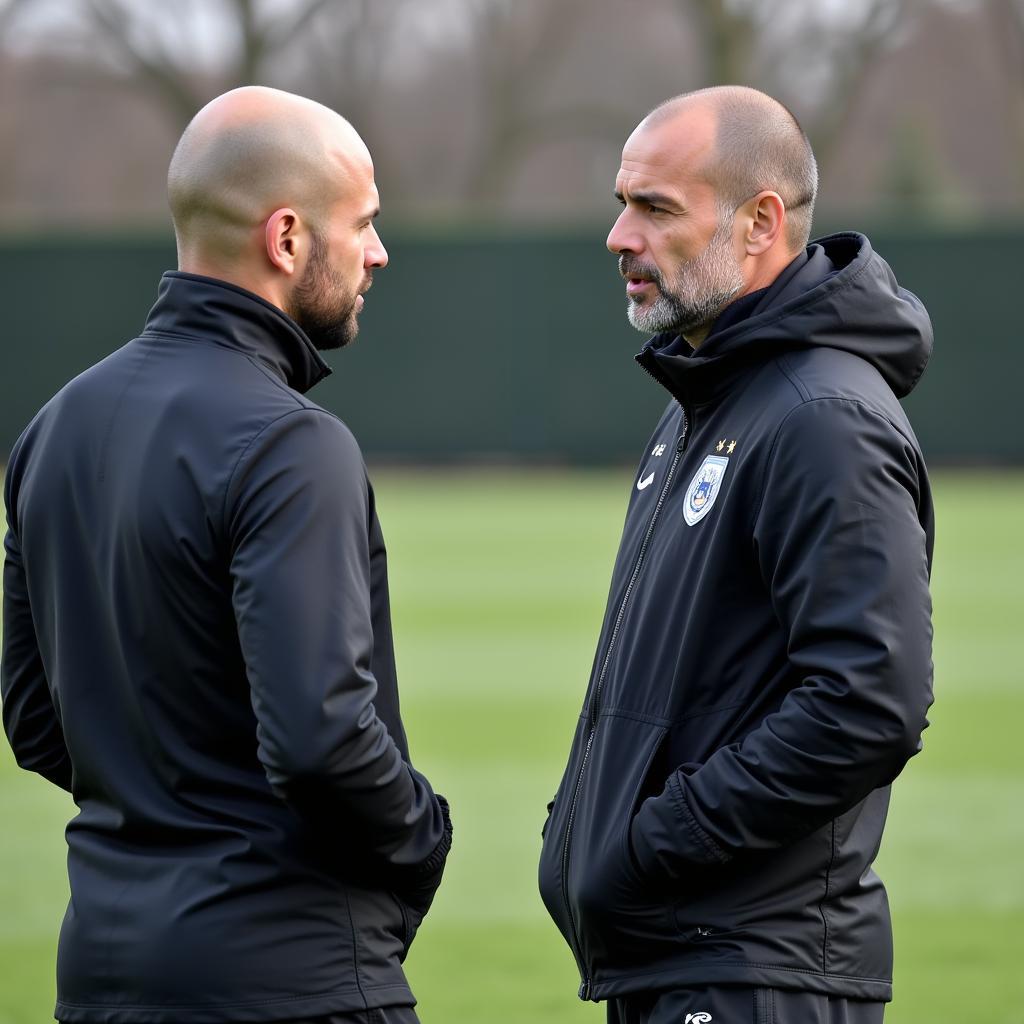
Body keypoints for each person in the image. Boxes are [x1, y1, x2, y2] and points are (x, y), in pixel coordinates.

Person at [2, 86, 451, 1024]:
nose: (376, 252)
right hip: (290, 984)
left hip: (100, 982)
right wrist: (424, 834)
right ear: (287, 239)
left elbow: (37, 722)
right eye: (362, 224)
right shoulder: (293, 444)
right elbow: (322, 744)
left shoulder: (54, 429)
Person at [538, 86, 934, 1024]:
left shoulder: (821, 419)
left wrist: (650, 842)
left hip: (755, 972)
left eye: (656, 208)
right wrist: (585, 826)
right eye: (621, 203)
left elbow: (868, 702)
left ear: (760, 223)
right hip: (680, 961)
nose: (620, 236)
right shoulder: (705, 399)